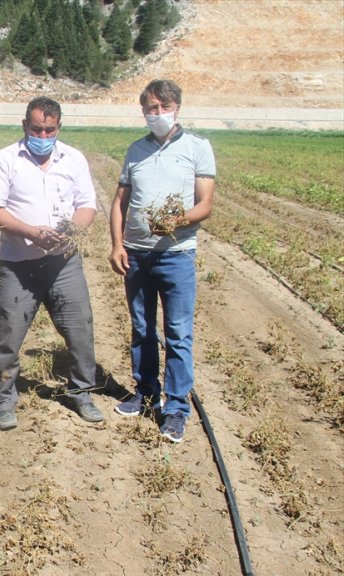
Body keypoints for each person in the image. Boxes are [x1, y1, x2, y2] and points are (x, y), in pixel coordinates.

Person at [0, 96, 105, 430]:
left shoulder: (73, 159)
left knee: (80, 330)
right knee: (9, 334)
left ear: (58, 127)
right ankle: (3, 400)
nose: (43, 136)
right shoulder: (4, 160)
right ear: (25, 125)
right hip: (19, 265)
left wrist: (71, 231)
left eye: (50, 130)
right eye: (37, 129)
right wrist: (31, 232)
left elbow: (87, 205)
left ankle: (81, 392)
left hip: (64, 263)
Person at [109, 79, 216, 443]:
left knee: (178, 333)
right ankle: (145, 393)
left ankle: (176, 408)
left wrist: (176, 220)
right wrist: (117, 245)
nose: (157, 114)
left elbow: (205, 204)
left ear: (176, 108)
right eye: (151, 108)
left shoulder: (198, 147)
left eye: (164, 107)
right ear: (143, 111)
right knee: (141, 328)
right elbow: (119, 203)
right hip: (137, 255)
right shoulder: (135, 150)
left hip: (176, 255)